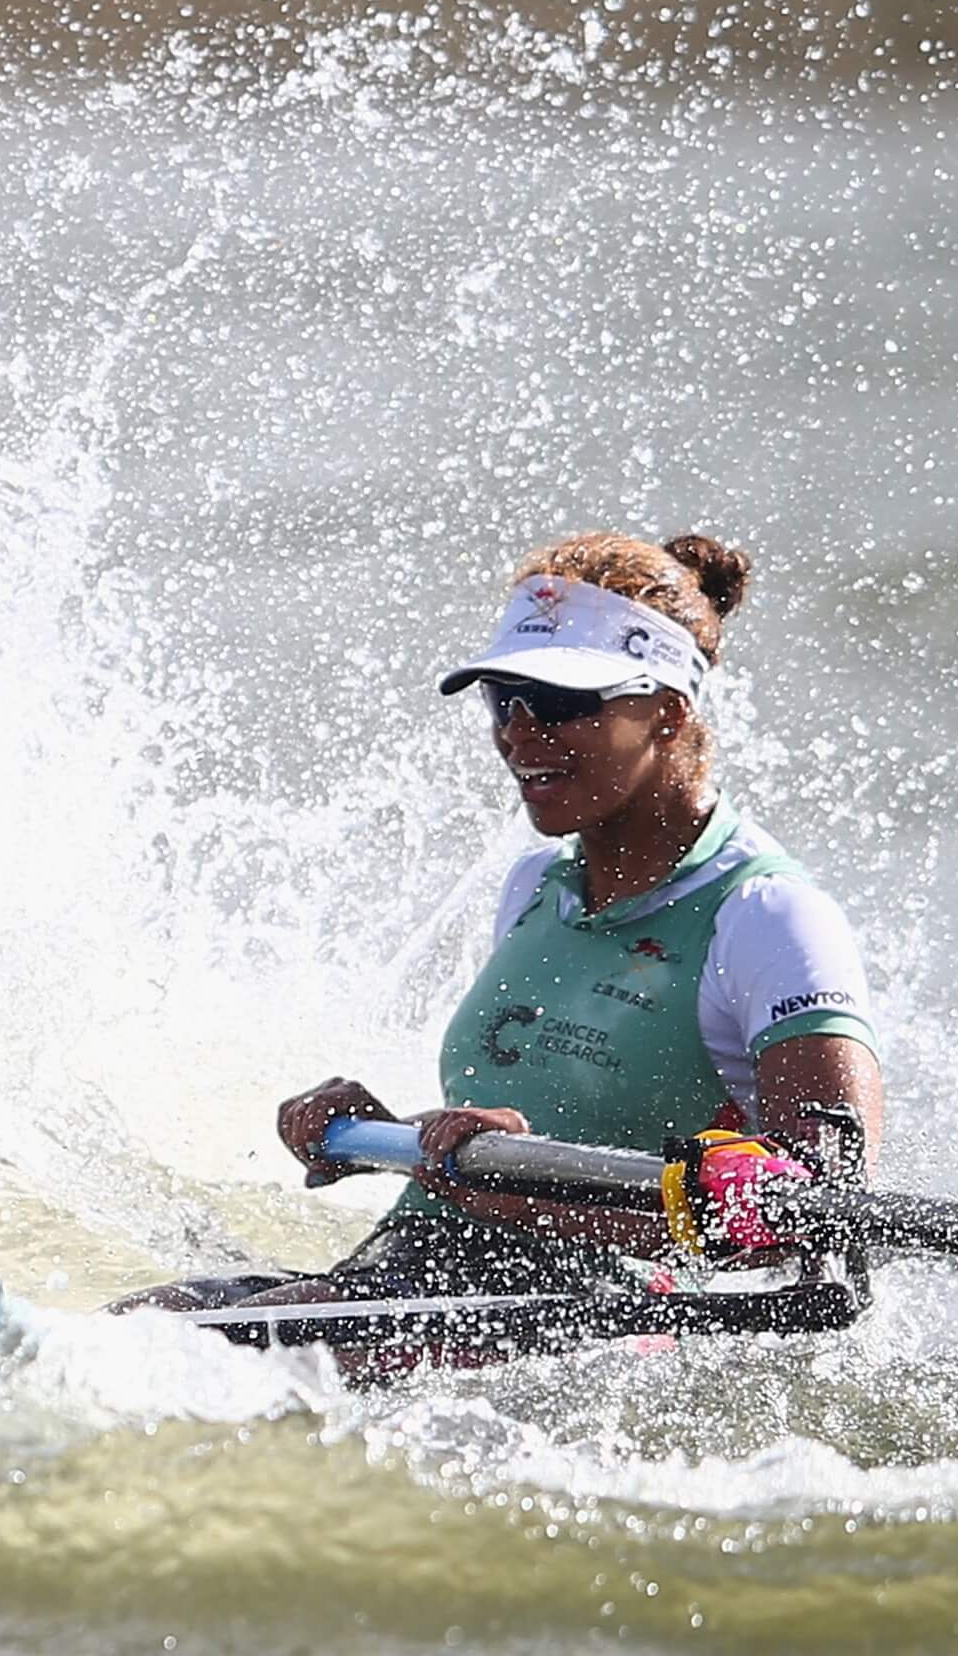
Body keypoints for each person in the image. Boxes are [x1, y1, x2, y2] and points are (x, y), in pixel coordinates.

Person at [126, 532, 884, 1334]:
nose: (521, 732)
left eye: (560, 703)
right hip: (418, 1266)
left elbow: (819, 1216)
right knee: (137, 1322)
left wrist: (529, 1196)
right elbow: (546, 1123)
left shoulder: (768, 916)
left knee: (173, 1357)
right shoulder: (536, 887)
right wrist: (382, 1134)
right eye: (503, 699)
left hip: (601, 1317)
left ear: (667, 713)